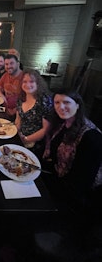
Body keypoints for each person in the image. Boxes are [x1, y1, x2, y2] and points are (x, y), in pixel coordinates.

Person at [42, 88, 102, 216]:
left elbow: (81, 182)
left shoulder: (91, 137)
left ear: (78, 105)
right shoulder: (64, 123)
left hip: (74, 198)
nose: (61, 107)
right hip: (59, 178)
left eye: (66, 102)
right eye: (57, 102)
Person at [15, 68, 53, 159]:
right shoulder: (21, 98)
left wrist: (26, 139)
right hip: (20, 138)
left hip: (35, 144)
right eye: (24, 81)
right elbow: (18, 119)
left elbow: (45, 130)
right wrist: (15, 132)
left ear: (38, 83)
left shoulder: (44, 101)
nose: (28, 85)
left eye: (32, 81)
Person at [0, 54, 23, 121]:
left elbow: (28, 100)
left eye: (11, 63)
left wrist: (16, 110)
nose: (9, 66)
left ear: (18, 64)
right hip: (5, 109)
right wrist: (3, 97)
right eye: (6, 64)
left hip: (18, 114)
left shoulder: (24, 78)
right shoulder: (6, 75)